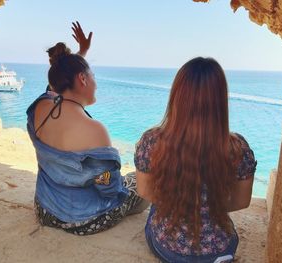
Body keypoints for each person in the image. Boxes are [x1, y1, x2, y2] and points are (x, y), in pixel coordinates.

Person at [26, 22, 148, 235]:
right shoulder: (94, 130)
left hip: (45, 209)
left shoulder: (41, 106)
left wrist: (80, 53)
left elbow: (56, 87)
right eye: (93, 77)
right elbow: (108, 188)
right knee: (141, 181)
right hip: (83, 219)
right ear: (82, 78)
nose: (96, 83)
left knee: (125, 177)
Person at [134, 57, 257, 262]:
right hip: (220, 249)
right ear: (220, 100)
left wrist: (181, 203)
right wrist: (206, 207)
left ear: (177, 96)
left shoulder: (151, 141)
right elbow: (241, 201)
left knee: (156, 209)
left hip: (168, 248)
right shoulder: (238, 148)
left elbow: (145, 191)